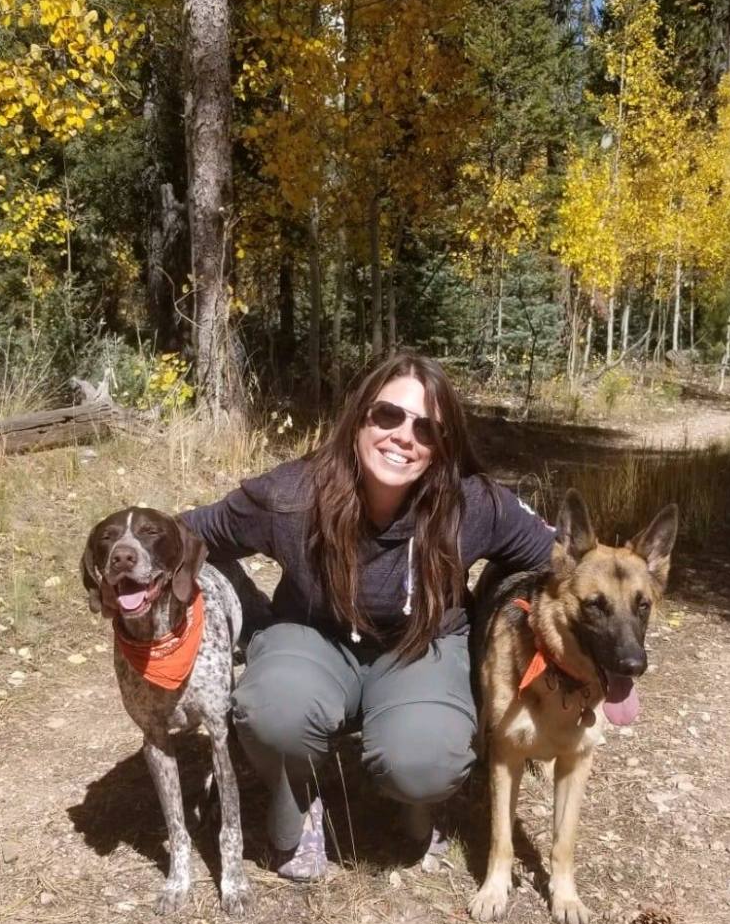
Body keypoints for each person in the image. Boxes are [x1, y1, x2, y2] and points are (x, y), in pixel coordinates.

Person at [182, 352, 555, 881]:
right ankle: (298, 803)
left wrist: (502, 627)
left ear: (443, 447)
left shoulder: (473, 506)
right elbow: (191, 534)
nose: (405, 436)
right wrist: (232, 606)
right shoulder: (290, 496)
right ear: (359, 417)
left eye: (427, 428)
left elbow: (561, 561)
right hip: (311, 638)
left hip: (421, 646)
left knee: (425, 758)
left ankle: (419, 800)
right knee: (273, 708)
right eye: (388, 415)